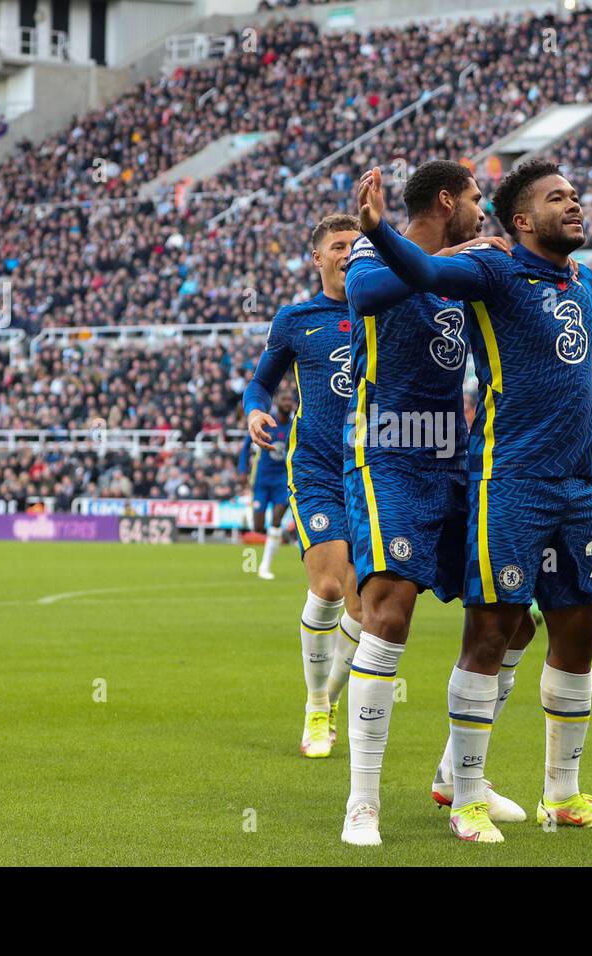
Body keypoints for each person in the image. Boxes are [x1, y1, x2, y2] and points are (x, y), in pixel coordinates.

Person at [352, 159, 592, 842]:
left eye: (575, 194)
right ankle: (465, 799)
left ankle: (563, 796)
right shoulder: (493, 270)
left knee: (580, 632)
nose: (573, 203)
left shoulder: (582, 280)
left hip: (578, 486)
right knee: (490, 632)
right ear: (522, 219)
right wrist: (378, 233)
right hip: (507, 481)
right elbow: (424, 275)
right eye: (556, 197)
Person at [338, 160, 535, 845]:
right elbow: (363, 296)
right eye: (478, 200)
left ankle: (458, 778)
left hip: (456, 457)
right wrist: (452, 252)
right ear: (446, 201)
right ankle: (362, 802)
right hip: (387, 452)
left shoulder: (472, 268)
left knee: (513, 623)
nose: (484, 213)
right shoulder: (375, 243)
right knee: (389, 614)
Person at [243, 214, 364, 759]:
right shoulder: (296, 319)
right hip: (316, 464)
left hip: (377, 466)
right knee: (331, 588)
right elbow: (261, 382)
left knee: (367, 609)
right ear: (318, 258)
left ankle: (330, 701)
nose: (349, 252)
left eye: (357, 244)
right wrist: (254, 412)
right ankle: (316, 707)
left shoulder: (384, 307)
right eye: (339, 245)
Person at [238, 390, 294, 578]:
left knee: (276, 521)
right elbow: (246, 446)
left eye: (290, 399)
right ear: (277, 402)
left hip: (282, 480)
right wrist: (242, 471)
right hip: (261, 479)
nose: (287, 402)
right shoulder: (267, 422)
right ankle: (279, 537)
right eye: (284, 399)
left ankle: (265, 567)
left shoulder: (295, 425)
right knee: (258, 526)